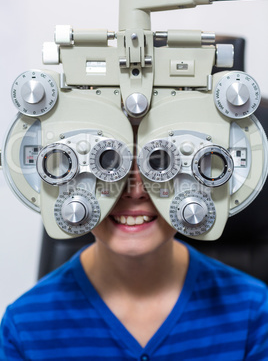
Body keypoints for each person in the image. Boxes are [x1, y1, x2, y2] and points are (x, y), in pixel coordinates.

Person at [0, 154, 268, 360]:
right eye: (108, 163)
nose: (134, 190)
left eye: (159, 162)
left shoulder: (253, 311)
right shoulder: (24, 326)